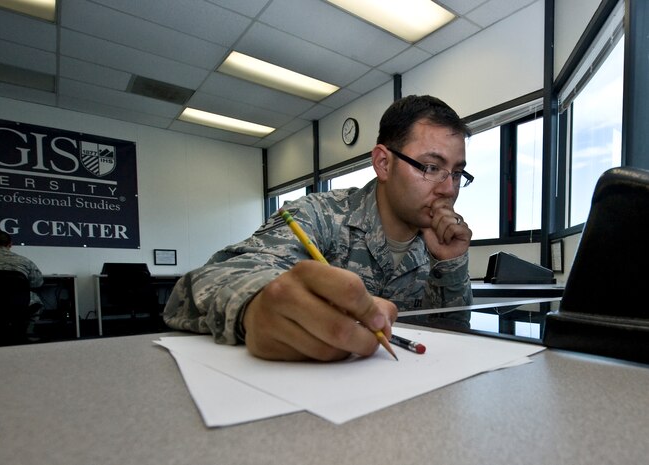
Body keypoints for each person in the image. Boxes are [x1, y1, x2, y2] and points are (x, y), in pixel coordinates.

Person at [164, 94, 474, 361]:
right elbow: (200, 286)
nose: (448, 189)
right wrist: (256, 305)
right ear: (383, 163)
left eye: (457, 173)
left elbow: (455, 333)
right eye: (431, 168)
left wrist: (450, 264)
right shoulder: (320, 215)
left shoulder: (437, 240)